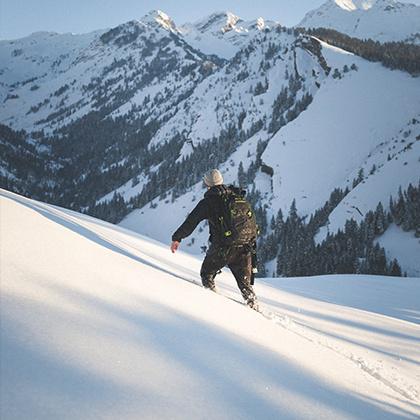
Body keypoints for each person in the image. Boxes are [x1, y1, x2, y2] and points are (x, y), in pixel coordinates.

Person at [170, 169, 258, 310]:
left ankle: (213, 306)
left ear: (207, 184)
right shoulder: (236, 197)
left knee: (207, 273)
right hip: (245, 247)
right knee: (246, 287)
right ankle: (256, 311)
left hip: (223, 248)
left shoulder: (209, 202)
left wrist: (177, 238)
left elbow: (191, 221)